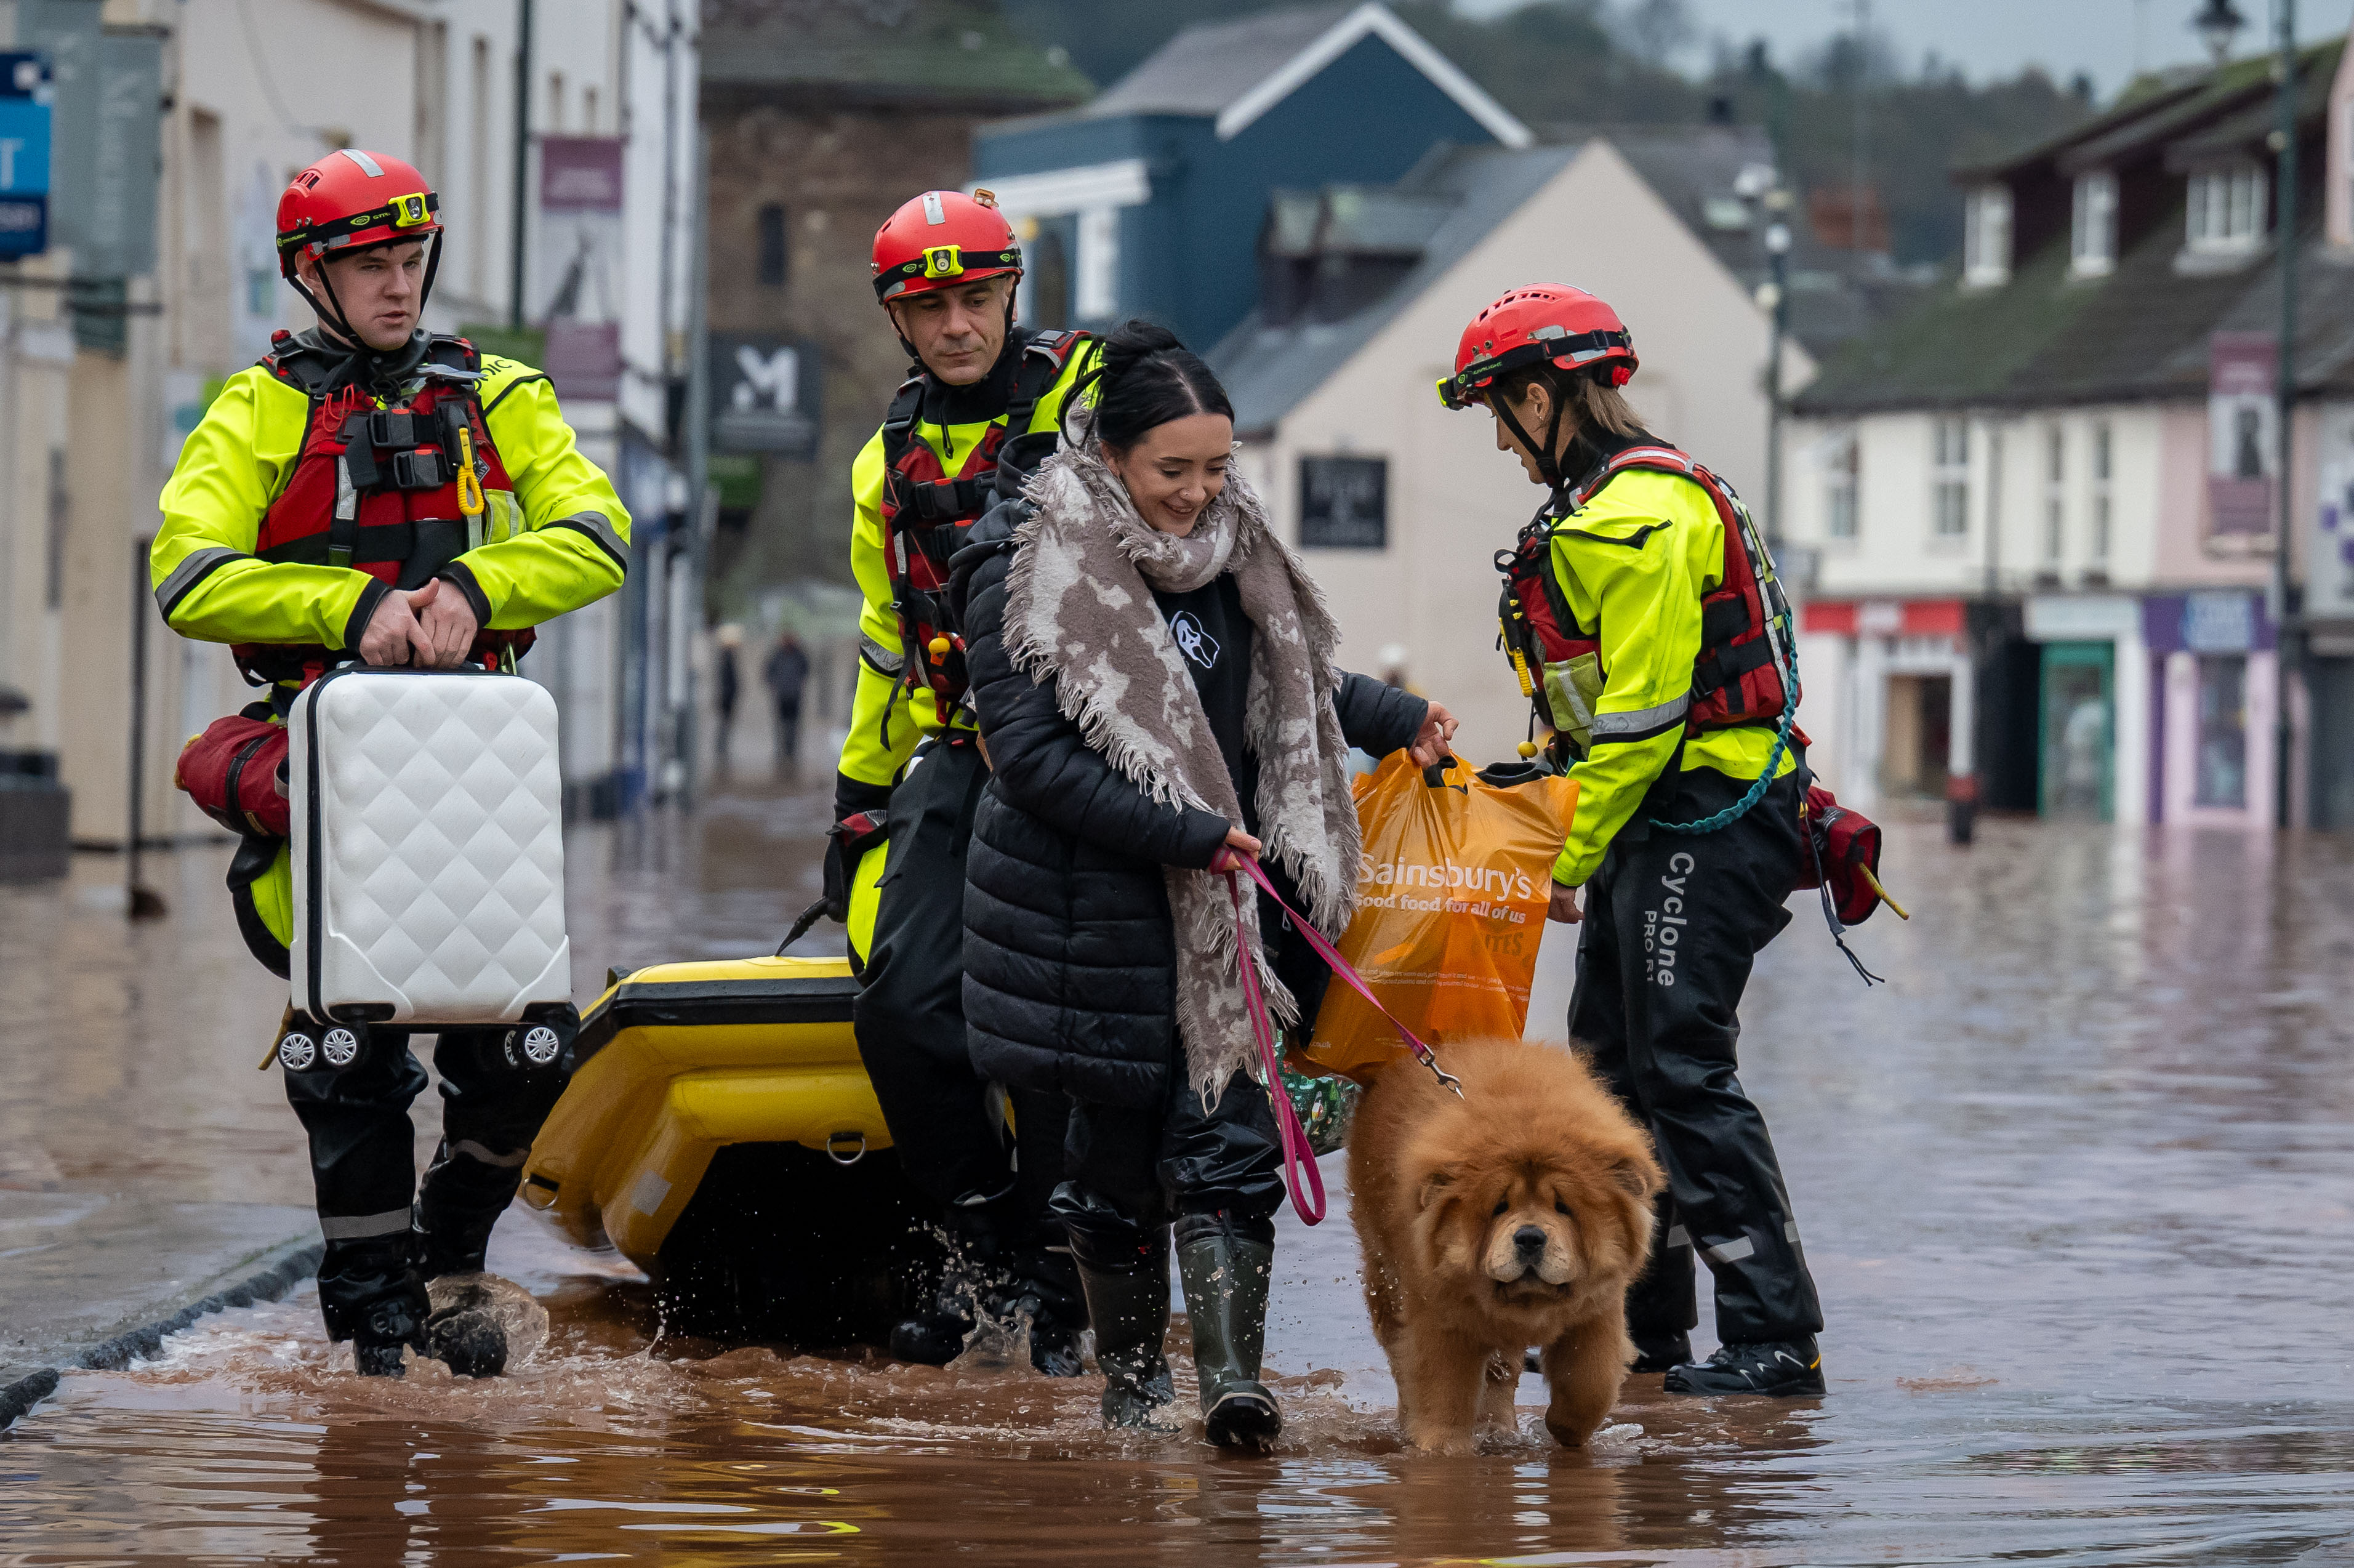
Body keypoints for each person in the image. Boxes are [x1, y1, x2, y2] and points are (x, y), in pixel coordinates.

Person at [151, 148, 630, 1378]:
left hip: (475, 778)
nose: (398, 284)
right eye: (370, 263)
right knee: (346, 1055)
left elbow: (595, 534)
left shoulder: (502, 395)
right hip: (330, 773)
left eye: (410, 259)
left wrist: (479, 581)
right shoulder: (255, 409)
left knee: (528, 1044)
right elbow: (188, 572)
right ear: (312, 272)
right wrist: (350, 606)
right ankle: (370, 1319)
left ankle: (452, 1243)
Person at [950, 323, 1455, 1444]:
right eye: (1171, 470)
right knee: (1111, 1168)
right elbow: (1029, 760)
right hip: (1088, 917)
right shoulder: (1022, 563)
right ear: (1110, 452)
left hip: (1225, 909)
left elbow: (1292, 687)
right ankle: (1132, 1388)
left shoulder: (1237, 550)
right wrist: (1184, 831)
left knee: (1229, 1152)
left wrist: (1394, 719)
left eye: (1216, 468)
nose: (1197, 494)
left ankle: (1231, 1388)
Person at [1437, 284, 1825, 1396]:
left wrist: (1560, 857)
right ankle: (1641, 1330)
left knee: (1677, 1068)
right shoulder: (1600, 505)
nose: (1502, 447)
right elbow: (1586, 713)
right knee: (1605, 1077)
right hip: (1648, 823)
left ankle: (1773, 1338)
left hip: (1704, 817)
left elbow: (1645, 716)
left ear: (1537, 397)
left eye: (1497, 417)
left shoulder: (1636, 515)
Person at [829, 188, 1101, 1372]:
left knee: (1039, 1020)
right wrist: (853, 793)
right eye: (927, 305)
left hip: (1087, 755)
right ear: (896, 317)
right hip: (956, 753)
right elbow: (889, 644)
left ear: (1011, 293)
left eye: (975, 298)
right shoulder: (879, 464)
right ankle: (981, 1240)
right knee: (899, 1006)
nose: (955, 325)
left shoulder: (1090, 406)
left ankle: (1056, 1273)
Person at [763, 630, 809, 764]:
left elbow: (806, 670)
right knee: (781, 725)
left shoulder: (799, 655)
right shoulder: (777, 655)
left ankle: (791, 752)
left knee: (793, 725)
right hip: (782, 696)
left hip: (795, 696)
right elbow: (768, 672)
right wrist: (775, 685)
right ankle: (781, 752)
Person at [713, 623, 743, 766]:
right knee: (724, 725)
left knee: (725, 725)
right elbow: (727, 679)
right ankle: (721, 750)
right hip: (727, 697)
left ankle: (722, 749)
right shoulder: (726, 657)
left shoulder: (727, 657)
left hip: (728, 696)